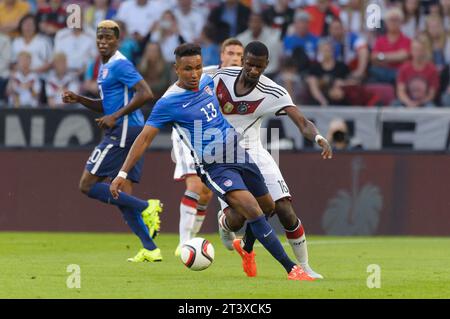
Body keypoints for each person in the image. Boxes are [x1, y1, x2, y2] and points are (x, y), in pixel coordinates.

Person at [110, 42, 316, 281]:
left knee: (269, 207)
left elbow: (235, 84)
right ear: (176, 68)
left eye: (198, 67)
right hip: (214, 165)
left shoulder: (209, 82)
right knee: (252, 210)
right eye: (187, 69)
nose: (194, 74)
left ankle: (245, 247)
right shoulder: (168, 103)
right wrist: (122, 173)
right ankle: (292, 269)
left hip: (240, 152)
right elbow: (144, 140)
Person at [212, 41, 332, 279]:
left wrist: (317, 136)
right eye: (250, 64)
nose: (254, 70)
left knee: (284, 209)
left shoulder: (274, 91)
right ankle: (226, 224)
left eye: (259, 66)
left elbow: (302, 122)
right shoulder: (219, 78)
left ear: (266, 65)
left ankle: (305, 267)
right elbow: (188, 86)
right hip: (223, 155)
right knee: (237, 220)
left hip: (254, 152)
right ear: (242, 60)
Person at [61, 20, 163, 263]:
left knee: (87, 185)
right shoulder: (104, 67)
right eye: (100, 38)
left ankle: (146, 206)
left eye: (108, 38)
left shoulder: (120, 64)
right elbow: (105, 105)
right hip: (129, 130)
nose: (103, 42)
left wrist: (115, 116)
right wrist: (79, 98)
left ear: (118, 41)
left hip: (123, 131)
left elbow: (146, 93)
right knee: (119, 192)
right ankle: (150, 248)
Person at [172, 38, 244, 256]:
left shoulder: (244, 83)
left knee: (205, 194)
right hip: (189, 132)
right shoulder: (206, 74)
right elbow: (176, 92)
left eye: (239, 55)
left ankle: (191, 240)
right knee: (194, 185)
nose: (234, 58)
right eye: (230, 53)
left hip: (217, 140)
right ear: (221, 55)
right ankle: (184, 244)